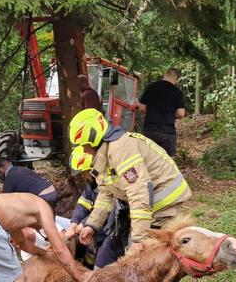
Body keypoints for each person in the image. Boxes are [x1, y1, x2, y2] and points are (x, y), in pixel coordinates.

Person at [69, 108, 192, 262]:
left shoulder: (122, 149)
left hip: (162, 204)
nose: (82, 150)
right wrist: (92, 225)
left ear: (93, 139)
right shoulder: (107, 153)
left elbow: (139, 192)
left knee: (143, 261)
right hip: (149, 205)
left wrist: (139, 239)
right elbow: (106, 194)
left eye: (82, 145)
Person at [66, 146, 128, 269]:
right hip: (95, 226)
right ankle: (88, 270)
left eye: (83, 172)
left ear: (92, 170)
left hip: (111, 227)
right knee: (90, 251)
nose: (82, 176)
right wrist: (74, 222)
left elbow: (107, 208)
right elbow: (83, 203)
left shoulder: (110, 181)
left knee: (102, 256)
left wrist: (84, 224)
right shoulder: (91, 183)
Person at [0, 135, 59, 210]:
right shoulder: (23, 169)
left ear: (1, 169)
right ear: (10, 163)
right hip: (52, 192)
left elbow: (6, 201)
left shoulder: (9, 179)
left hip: (43, 198)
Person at [138, 68, 186, 156]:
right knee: (167, 163)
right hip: (167, 132)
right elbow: (181, 113)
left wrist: (152, 112)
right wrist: (170, 115)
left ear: (165, 75)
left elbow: (141, 108)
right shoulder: (176, 91)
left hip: (150, 130)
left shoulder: (151, 87)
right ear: (175, 78)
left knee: (147, 160)